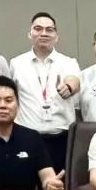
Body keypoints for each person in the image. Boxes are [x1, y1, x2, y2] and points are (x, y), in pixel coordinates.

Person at [9, 12, 81, 168]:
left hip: (61, 139)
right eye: (38, 29)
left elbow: (74, 80)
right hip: (26, 137)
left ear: (56, 36)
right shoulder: (16, 64)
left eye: (49, 30)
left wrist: (68, 87)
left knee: (58, 181)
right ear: (30, 34)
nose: (44, 33)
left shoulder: (68, 62)